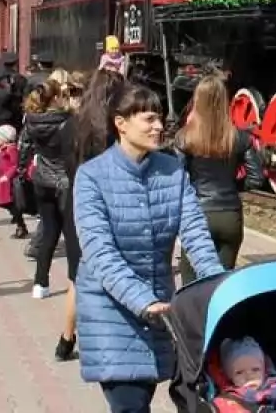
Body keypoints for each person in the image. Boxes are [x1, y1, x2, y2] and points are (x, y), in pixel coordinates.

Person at [75, 84, 225, 413]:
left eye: (161, 119)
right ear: (121, 122)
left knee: (200, 397)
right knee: (130, 404)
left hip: (163, 311)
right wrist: (144, 301)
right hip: (111, 312)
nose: (159, 126)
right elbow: (100, 254)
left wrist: (220, 287)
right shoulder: (91, 177)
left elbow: (196, 234)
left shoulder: (172, 170)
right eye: (150, 119)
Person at [55, 68, 124, 363]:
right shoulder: (116, 129)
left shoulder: (72, 126)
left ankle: (65, 340)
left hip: (75, 203)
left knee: (77, 275)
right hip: (111, 204)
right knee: (112, 271)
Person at [178, 74, 263, 283]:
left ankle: (193, 316)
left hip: (197, 215)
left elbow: (177, 180)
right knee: (221, 283)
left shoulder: (184, 137)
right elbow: (257, 178)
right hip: (230, 216)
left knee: (190, 284)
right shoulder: (240, 138)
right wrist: (233, 187)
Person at [21, 77, 73, 299]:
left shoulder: (31, 121)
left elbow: (24, 148)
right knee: (72, 234)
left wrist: (22, 170)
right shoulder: (67, 121)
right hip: (65, 181)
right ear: (55, 98)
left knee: (49, 232)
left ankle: (40, 283)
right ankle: (76, 281)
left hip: (42, 180)